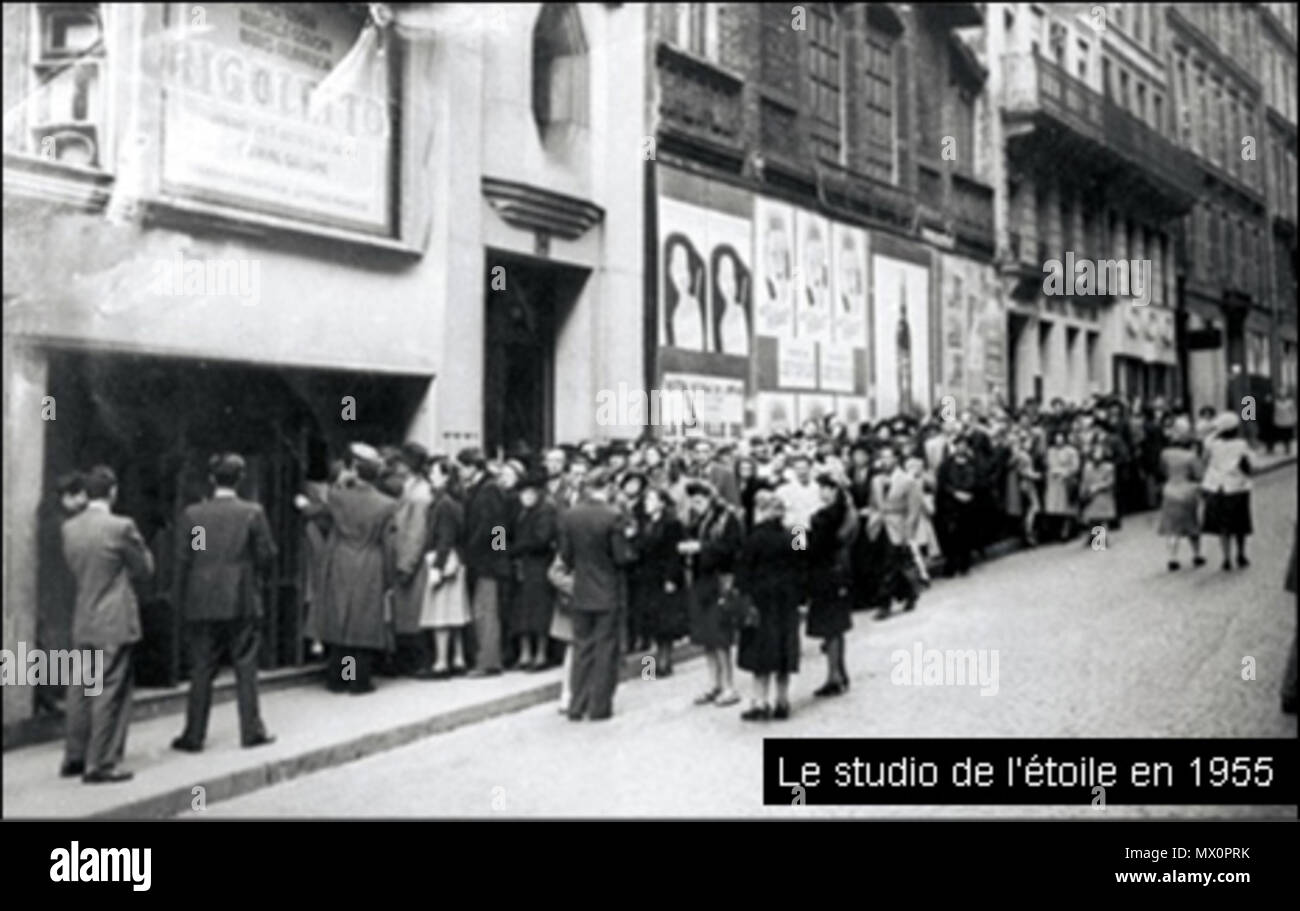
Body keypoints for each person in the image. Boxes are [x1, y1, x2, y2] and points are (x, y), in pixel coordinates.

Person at [171, 453, 276, 752]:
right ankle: (251, 731)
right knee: (245, 665)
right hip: (241, 598)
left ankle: (193, 735)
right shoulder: (252, 513)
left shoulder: (196, 516)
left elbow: (191, 556)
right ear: (240, 479)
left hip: (203, 599)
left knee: (202, 668)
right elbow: (267, 555)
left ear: (212, 479)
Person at [60, 465, 154, 783]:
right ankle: (101, 763)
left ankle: (75, 755)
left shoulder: (70, 528)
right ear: (113, 491)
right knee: (110, 690)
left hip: (84, 616)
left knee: (81, 690)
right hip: (114, 619)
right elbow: (145, 568)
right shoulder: (121, 526)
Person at [295, 443, 397, 694]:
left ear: (355, 471)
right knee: (362, 623)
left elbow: (317, 514)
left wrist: (301, 503)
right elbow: (390, 544)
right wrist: (390, 576)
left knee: (340, 619)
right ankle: (359, 680)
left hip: (340, 558)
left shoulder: (339, 497)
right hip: (371, 559)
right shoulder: (387, 504)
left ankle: (338, 677)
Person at [559, 468, 637, 720]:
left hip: (581, 590)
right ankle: (599, 706)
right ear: (607, 487)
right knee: (605, 649)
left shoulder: (571, 516)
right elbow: (621, 557)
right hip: (607, 591)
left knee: (582, 649)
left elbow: (566, 557)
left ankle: (576, 704)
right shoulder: (613, 516)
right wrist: (631, 545)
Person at [735, 490, 803, 720]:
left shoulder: (754, 538)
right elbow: (802, 560)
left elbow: (743, 572)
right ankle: (782, 701)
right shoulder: (792, 534)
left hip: (761, 600)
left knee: (760, 652)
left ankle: (760, 702)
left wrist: (743, 596)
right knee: (784, 649)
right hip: (787, 599)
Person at [681, 479, 744, 707]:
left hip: (720, 579)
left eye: (699, 500)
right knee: (706, 636)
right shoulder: (696, 520)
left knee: (720, 636)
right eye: (693, 500)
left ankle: (728, 685)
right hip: (701, 580)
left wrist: (702, 548)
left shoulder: (727, 519)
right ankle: (714, 683)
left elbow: (734, 549)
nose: (695, 504)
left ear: (710, 498)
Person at [458, 447, 512, 676]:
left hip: (487, 561)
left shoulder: (489, 490)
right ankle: (485, 657)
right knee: (483, 610)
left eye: (462, 467)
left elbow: (498, 526)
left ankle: (488, 660)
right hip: (484, 558)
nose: (460, 472)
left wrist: (496, 553)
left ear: (472, 467)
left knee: (485, 612)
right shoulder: (483, 488)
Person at [385, 442, 434, 677]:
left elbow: (417, 532)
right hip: (404, 557)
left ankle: (418, 661)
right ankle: (407, 661)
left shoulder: (420, 495)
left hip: (411, 561)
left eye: (402, 463)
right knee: (405, 614)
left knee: (412, 615)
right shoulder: (411, 489)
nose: (397, 468)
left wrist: (406, 564)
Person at [628, 485, 688, 677]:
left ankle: (665, 661)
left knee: (665, 622)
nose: (647, 504)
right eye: (646, 500)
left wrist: (671, 578)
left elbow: (674, 554)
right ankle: (649, 667)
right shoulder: (643, 523)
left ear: (661, 504)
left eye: (651, 500)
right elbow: (638, 548)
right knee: (649, 623)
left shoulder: (672, 524)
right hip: (645, 577)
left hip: (663, 577)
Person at [419, 456, 470, 678]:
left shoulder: (443, 503)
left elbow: (444, 538)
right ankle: (458, 658)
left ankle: (441, 662)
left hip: (444, 558)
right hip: (455, 559)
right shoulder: (456, 501)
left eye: (434, 473)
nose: (431, 476)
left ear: (445, 477)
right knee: (455, 613)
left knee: (440, 615)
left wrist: (437, 567)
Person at [807, 473, 857, 696]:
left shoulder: (825, 516)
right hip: (841, 571)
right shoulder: (847, 512)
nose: (822, 492)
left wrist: (795, 533)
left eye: (826, 487)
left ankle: (834, 676)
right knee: (837, 626)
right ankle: (840, 672)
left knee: (830, 627)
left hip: (824, 573)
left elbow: (810, 548)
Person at [509, 472, 558, 671]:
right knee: (521, 611)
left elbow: (542, 539)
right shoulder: (518, 511)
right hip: (522, 565)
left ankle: (541, 654)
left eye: (530, 493)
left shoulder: (545, 511)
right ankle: (525, 653)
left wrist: (514, 549)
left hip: (538, 564)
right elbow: (501, 528)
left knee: (539, 610)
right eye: (523, 493)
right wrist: (500, 548)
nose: (526, 497)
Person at [865, 446, 921, 621]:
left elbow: (913, 509)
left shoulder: (907, 480)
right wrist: (871, 516)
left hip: (898, 524)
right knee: (884, 564)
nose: (885, 461)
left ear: (896, 459)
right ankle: (908, 593)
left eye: (889, 457)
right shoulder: (876, 480)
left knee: (892, 564)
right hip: (879, 525)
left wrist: (909, 532)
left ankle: (885, 604)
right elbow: (873, 503)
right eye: (882, 457)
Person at [1201, 412, 1254, 570]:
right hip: (1237, 487)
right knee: (1240, 524)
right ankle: (1241, 554)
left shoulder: (1212, 444)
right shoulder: (1241, 444)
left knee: (1223, 525)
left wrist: (1216, 430)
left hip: (1217, 487)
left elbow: (1206, 448)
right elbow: (1251, 463)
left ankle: (1226, 557)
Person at [1156, 418, 1205, 570]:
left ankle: (1172, 558)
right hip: (1187, 491)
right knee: (1192, 525)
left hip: (1170, 490)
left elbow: (1162, 471)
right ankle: (1197, 555)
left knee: (1172, 528)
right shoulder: (1191, 456)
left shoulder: (1165, 454)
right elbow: (1198, 474)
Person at [937, 436, 979, 575]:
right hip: (951, 504)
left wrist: (970, 493)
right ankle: (951, 564)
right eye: (959, 445)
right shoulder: (946, 464)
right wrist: (955, 493)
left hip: (968, 503)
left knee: (966, 533)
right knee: (951, 535)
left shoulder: (973, 463)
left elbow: (978, 480)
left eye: (964, 445)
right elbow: (942, 483)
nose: (962, 447)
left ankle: (964, 564)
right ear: (954, 446)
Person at [1043, 430, 1081, 542]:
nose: (1059, 441)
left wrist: (1066, 473)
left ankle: (1068, 530)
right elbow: (1048, 465)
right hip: (1054, 482)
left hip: (1066, 481)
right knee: (1055, 508)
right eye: (1056, 438)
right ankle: (1055, 531)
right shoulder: (1050, 451)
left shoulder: (1071, 451)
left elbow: (1075, 467)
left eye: (1061, 438)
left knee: (1067, 507)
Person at [1079, 442, 1117, 542]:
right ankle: (1092, 537)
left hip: (1103, 495)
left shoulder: (1109, 467)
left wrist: (1098, 486)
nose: (1097, 456)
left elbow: (1110, 482)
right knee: (1092, 517)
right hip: (1090, 495)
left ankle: (1102, 539)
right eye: (1095, 453)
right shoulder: (1087, 468)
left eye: (1099, 453)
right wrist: (1083, 492)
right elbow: (1084, 481)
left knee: (1102, 518)